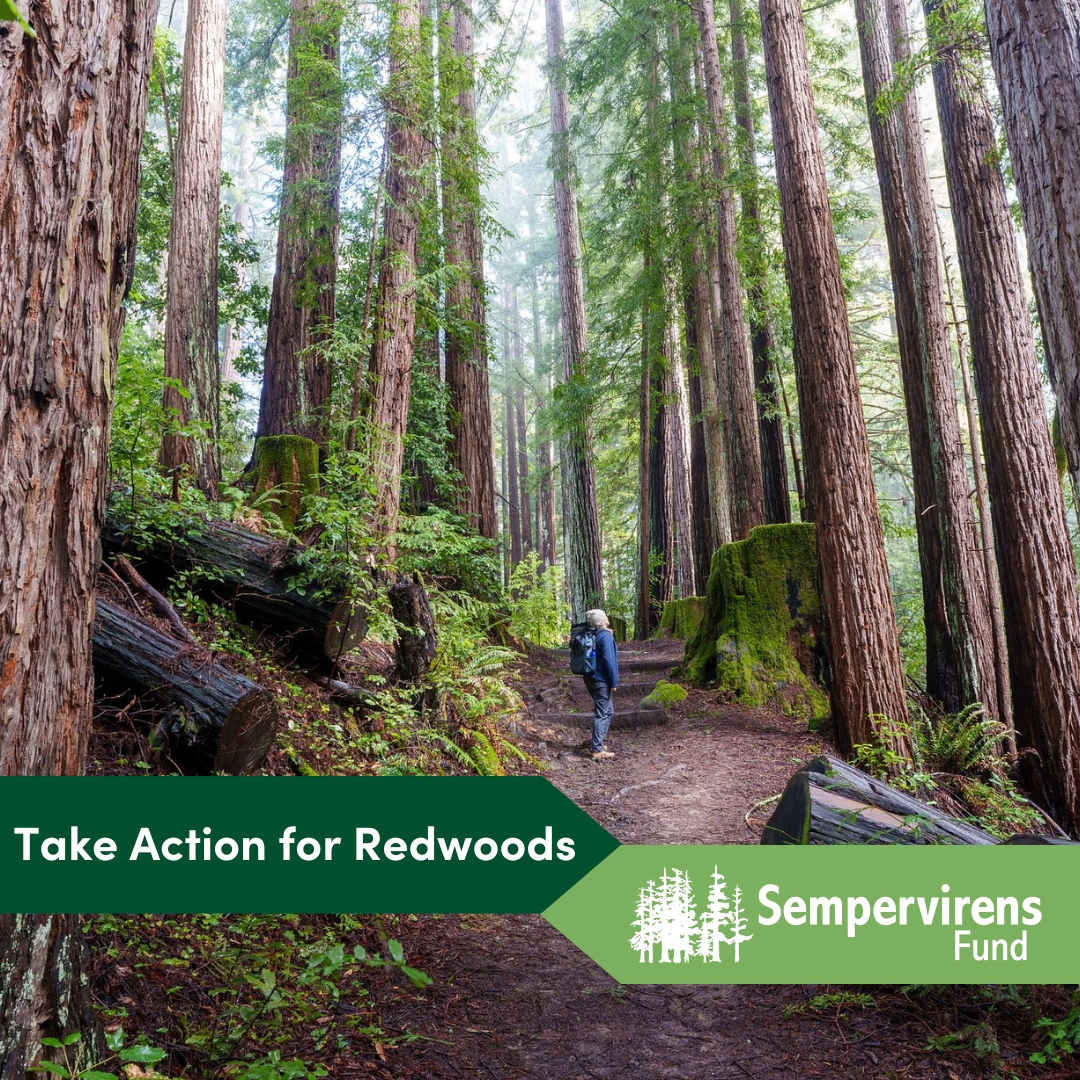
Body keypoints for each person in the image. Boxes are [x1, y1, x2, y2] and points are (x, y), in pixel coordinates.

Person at [582, 608, 618, 760]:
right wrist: (614, 682)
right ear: (602, 620)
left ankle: (597, 743)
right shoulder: (606, 637)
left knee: (607, 710)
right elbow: (610, 661)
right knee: (603, 713)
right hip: (601, 680)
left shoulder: (591, 635)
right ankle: (597, 750)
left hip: (589, 677)